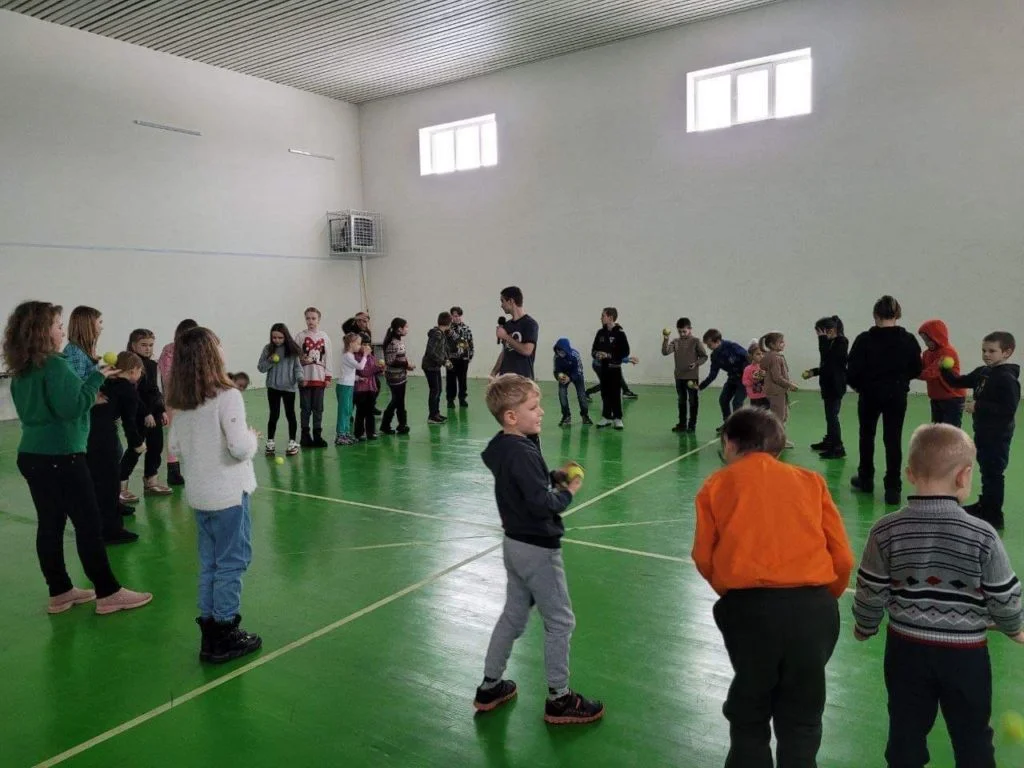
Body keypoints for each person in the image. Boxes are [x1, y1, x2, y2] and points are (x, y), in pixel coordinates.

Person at [853, 424, 1024, 767]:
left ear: (909, 474)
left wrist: (866, 626)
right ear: (964, 477)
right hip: (965, 657)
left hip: (906, 652)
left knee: (905, 732)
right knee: (973, 736)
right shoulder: (982, 535)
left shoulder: (884, 530)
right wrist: (1014, 627)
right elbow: (1004, 595)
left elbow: (870, 589)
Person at [692, 407, 854, 767]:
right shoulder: (811, 481)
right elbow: (842, 557)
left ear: (728, 444)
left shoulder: (715, 486)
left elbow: (704, 556)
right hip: (814, 611)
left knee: (749, 711)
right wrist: (823, 598)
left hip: (750, 612)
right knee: (803, 716)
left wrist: (733, 592)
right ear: (779, 450)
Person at [4, 300, 152, 615]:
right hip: (62, 456)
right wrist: (98, 376)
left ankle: (60, 591)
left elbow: (44, 408)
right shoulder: (55, 365)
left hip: (32, 454)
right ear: (43, 331)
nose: (62, 331)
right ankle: (108, 592)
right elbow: (73, 407)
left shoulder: (22, 368)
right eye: (58, 325)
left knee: (50, 524)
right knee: (89, 524)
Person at [474, 374, 604, 725]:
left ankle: (490, 685)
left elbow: (525, 479)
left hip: (514, 545)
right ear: (510, 416)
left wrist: (551, 476)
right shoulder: (522, 450)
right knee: (561, 621)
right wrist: (569, 489)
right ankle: (560, 698)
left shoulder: (503, 446)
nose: (541, 412)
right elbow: (543, 504)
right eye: (533, 407)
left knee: (514, 616)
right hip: (538, 548)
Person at [168, 326, 262, 664]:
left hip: (200, 495)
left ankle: (210, 632)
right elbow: (238, 448)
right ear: (211, 353)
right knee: (232, 562)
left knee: (210, 562)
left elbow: (175, 447)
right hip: (228, 495)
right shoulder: (228, 395)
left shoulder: (180, 403)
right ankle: (225, 630)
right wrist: (251, 437)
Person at [847, 295, 923, 506]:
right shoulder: (907, 340)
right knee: (893, 439)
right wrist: (900, 383)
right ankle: (892, 488)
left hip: (869, 394)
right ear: (897, 314)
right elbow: (917, 368)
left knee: (866, 436)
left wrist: (862, 387)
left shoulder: (864, 339)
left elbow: (851, 370)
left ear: (875, 314)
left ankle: (866, 479)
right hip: (896, 395)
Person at [941, 331, 1020, 530]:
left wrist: (979, 406)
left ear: (1007, 352)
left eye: (992, 351)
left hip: (998, 434)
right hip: (984, 431)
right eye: (984, 350)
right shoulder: (984, 372)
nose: (986, 354)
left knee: (994, 472)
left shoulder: (1007, 378)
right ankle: (986, 504)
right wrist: (945, 370)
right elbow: (959, 381)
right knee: (986, 470)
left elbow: (1008, 409)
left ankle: (994, 514)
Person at [91, 352, 146, 544]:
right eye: (140, 371)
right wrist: (137, 443)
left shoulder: (106, 383)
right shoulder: (128, 390)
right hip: (102, 436)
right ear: (133, 371)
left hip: (88, 433)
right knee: (109, 481)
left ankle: (102, 520)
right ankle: (111, 530)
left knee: (100, 481)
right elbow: (129, 422)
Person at [120, 329, 172, 501]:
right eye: (143, 345)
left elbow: (154, 390)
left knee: (156, 446)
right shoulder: (131, 365)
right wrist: (146, 413)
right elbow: (134, 394)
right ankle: (120, 485)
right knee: (136, 449)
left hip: (153, 415)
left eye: (150, 345)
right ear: (133, 345)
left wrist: (161, 410)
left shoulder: (151, 364)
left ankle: (151, 481)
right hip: (137, 415)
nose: (148, 349)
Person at [159, 318, 199, 486]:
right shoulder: (170, 351)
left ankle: (194, 468)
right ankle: (173, 469)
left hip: (194, 397)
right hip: (174, 398)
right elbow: (167, 376)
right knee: (174, 432)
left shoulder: (198, 351)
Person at [803, 316, 849, 459]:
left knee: (832, 417)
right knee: (829, 417)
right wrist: (814, 372)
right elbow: (827, 365)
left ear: (831, 330)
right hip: (828, 385)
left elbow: (830, 361)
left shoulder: (841, 342)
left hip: (835, 386)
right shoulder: (831, 343)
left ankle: (838, 447)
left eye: (820, 332)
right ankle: (830, 440)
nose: (819, 336)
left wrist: (822, 340)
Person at [257, 323, 304, 457]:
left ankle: (292, 441)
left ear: (286, 337)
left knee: (291, 414)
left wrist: (300, 378)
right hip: (273, 387)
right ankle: (270, 442)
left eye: (280, 338)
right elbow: (261, 368)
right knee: (274, 414)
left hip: (289, 388)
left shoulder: (292, 350)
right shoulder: (268, 349)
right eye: (274, 337)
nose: (277, 340)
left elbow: (297, 368)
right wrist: (270, 361)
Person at [295, 307, 333, 448]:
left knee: (318, 408)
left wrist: (328, 377)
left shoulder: (324, 337)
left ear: (318, 319)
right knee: (305, 408)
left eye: (313, 318)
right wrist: (299, 370)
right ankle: (305, 436)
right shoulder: (300, 336)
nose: (310, 321)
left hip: (319, 378)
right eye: (308, 318)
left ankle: (317, 435)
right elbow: (295, 358)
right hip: (304, 378)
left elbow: (328, 358)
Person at [918, 319, 967, 427]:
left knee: (951, 432)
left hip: (952, 398)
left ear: (937, 337)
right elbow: (919, 367)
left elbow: (930, 373)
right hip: (936, 398)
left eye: (928, 340)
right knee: (937, 430)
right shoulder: (927, 353)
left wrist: (913, 373)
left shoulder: (947, 352)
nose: (926, 343)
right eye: (924, 340)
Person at [662, 318, 708, 433]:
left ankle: (692, 424)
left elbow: (704, 356)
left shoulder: (696, 341)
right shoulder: (676, 341)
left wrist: (696, 363)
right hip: (679, 377)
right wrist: (666, 339)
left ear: (690, 329)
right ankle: (682, 424)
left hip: (692, 377)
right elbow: (665, 352)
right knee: (681, 401)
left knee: (693, 401)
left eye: (684, 331)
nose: (682, 334)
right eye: (680, 331)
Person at [699, 330, 749, 432]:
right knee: (723, 400)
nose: (708, 347)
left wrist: (752, 374)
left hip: (744, 380)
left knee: (737, 402)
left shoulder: (732, 347)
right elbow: (713, 374)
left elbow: (748, 358)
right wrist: (701, 386)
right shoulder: (714, 356)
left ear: (717, 341)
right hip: (732, 379)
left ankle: (739, 427)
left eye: (709, 345)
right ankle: (728, 424)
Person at [591, 308, 630, 430]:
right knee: (605, 393)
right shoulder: (600, 333)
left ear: (610, 318)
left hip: (615, 369)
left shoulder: (620, 333)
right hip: (603, 368)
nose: (601, 318)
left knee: (615, 393)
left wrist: (609, 355)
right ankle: (606, 417)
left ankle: (617, 418)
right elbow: (593, 349)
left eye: (603, 316)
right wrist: (597, 354)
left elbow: (625, 351)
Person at [491, 286, 539, 380]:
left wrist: (506, 336)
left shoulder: (530, 324)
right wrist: (493, 373)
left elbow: (527, 350)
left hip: (522, 381)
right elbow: (505, 352)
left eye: (502, 301)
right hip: (505, 380)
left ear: (511, 301)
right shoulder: (507, 325)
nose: (501, 305)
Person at [381, 318, 415, 435]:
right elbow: (390, 361)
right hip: (394, 377)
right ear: (399, 329)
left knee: (400, 401)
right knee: (397, 400)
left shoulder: (399, 342)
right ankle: (386, 424)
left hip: (401, 376)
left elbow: (400, 357)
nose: (407, 329)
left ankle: (402, 424)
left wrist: (406, 365)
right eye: (406, 327)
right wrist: (406, 364)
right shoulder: (393, 343)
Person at [335, 332, 366, 446]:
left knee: (348, 410)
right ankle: (340, 435)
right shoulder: (347, 355)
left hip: (349, 385)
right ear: (351, 343)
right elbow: (360, 366)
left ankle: (346, 433)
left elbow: (349, 372)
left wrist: (358, 378)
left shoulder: (350, 355)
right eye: (358, 343)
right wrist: (365, 356)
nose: (360, 346)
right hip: (343, 386)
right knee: (343, 411)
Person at [552, 337, 592, 427]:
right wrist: (559, 377)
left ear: (566, 349)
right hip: (563, 376)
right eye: (558, 350)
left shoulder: (575, 355)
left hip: (576, 375)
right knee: (562, 394)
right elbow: (556, 370)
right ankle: (566, 416)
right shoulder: (556, 357)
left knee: (582, 395)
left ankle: (585, 415)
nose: (559, 353)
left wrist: (570, 378)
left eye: (561, 351)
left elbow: (579, 370)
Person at [423, 312, 453, 424]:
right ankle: (432, 416)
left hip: (435, 366)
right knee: (435, 390)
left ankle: (436, 413)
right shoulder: (437, 334)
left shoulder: (441, 333)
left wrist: (446, 359)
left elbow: (442, 349)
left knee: (438, 390)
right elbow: (432, 352)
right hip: (430, 366)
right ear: (449, 323)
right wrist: (443, 361)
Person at [446, 306, 474, 408]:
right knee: (451, 380)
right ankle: (450, 400)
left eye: (457, 316)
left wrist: (470, 355)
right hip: (451, 359)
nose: (456, 318)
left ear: (460, 316)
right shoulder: (448, 329)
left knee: (463, 380)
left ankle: (462, 399)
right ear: (451, 317)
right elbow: (445, 344)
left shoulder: (466, 328)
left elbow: (470, 343)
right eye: (454, 316)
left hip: (463, 359)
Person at [353, 334, 379, 440]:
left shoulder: (372, 357)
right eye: (364, 344)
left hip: (371, 387)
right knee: (361, 411)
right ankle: (359, 433)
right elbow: (364, 372)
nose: (367, 346)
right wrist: (375, 368)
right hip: (360, 389)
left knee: (370, 411)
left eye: (368, 344)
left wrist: (380, 368)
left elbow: (373, 371)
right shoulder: (357, 357)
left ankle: (371, 431)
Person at [742, 343, 769, 409]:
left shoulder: (765, 367)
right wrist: (753, 380)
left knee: (767, 413)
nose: (761, 356)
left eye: (762, 354)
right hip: (755, 397)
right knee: (756, 414)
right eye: (758, 354)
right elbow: (744, 382)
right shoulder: (748, 369)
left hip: (766, 395)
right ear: (751, 356)